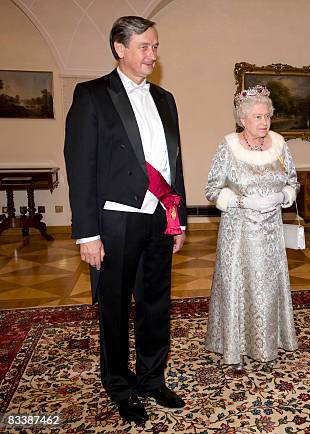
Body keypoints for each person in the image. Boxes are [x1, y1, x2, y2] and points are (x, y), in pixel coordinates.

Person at [63, 16, 187, 424]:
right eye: (145, 47)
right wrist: (87, 233)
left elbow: (174, 164)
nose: (153, 54)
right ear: (120, 48)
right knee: (115, 309)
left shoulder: (165, 99)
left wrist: (178, 219)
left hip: (158, 219)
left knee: (156, 305)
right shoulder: (92, 95)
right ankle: (119, 385)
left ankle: (152, 378)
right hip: (115, 222)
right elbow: (81, 167)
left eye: (155, 46)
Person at [204, 85, 299, 369]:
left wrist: (282, 196)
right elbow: (212, 189)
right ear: (242, 119)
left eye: (267, 116)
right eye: (257, 117)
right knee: (240, 286)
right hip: (239, 232)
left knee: (267, 288)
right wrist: (244, 202)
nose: (264, 122)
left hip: (270, 232)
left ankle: (268, 343)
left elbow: (292, 181)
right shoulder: (228, 146)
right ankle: (235, 346)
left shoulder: (280, 145)